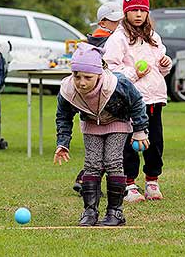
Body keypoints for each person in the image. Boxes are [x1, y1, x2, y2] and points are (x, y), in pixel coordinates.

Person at [54, 42, 149, 226]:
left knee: (112, 161)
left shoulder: (117, 84)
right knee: (92, 164)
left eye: (87, 77)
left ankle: (115, 213)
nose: (81, 82)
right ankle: (89, 212)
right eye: (77, 76)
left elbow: (137, 103)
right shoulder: (67, 89)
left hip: (117, 122)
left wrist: (140, 130)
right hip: (91, 124)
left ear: (99, 73)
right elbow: (63, 117)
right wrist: (62, 143)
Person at [103, 0, 172, 202]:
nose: (139, 15)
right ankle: (129, 184)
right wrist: (134, 73)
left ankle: (152, 180)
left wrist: (165, 64)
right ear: (126, 13)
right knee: (129, 144)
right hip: (130, 102)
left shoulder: (153, 37)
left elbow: (160, 65)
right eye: (134, 10)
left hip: (154, 100)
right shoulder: (118, 39)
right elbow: (112, 70)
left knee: (155, 143)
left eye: (143, 10)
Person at [73, 1, 124, 194]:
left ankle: (86, 179)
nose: (119, 24)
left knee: (105, 150)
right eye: (115, 21)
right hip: (107, 98)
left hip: (102, 98)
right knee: (111, 149)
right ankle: (89, 179)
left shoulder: (93, 41)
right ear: (102, 22)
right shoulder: (104, 41)